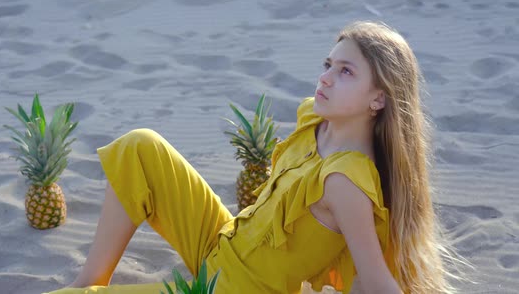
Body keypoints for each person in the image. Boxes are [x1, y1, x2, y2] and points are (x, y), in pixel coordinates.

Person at [51, 21, 461, 294]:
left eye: (346, 72)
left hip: (233, 288)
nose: (325, 77)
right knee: (140, 147)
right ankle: (90, 280)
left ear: (379, 98)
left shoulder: (345, 182)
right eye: (328, 64)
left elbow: (376, 282)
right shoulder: (312, 120)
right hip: (224, 243)